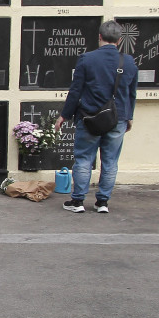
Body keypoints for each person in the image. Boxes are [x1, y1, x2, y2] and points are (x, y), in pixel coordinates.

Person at [55, 19, 138, 214]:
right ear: (119, 40)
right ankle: (102, 202)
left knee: (84, 158)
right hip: (118, 118)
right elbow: (131, 92)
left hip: (89, 117)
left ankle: (78, 201)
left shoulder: (87, 59)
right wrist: (129, 116)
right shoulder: (129, 62)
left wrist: (64, 115)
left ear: (99, 36)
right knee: (110, 161)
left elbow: (76, 91)